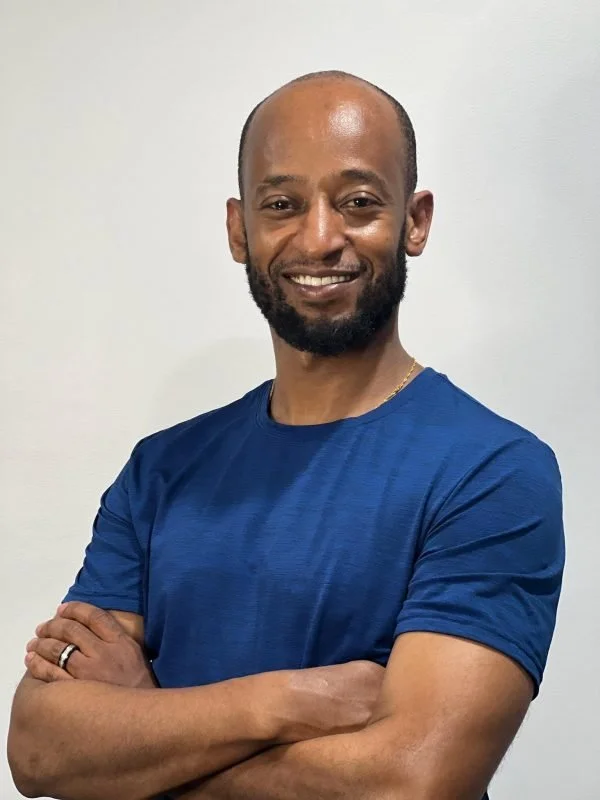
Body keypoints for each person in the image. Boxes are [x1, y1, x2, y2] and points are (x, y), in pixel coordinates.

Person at [8, 70, 564, 800]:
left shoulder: (491, 470)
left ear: (416, 221)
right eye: (283, 204)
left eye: (359, 202)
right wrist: (290, 702)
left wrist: (140, 735)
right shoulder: (162, 471)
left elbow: (410, 784)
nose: (321, 237)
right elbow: (41, 751)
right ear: (241, 229)